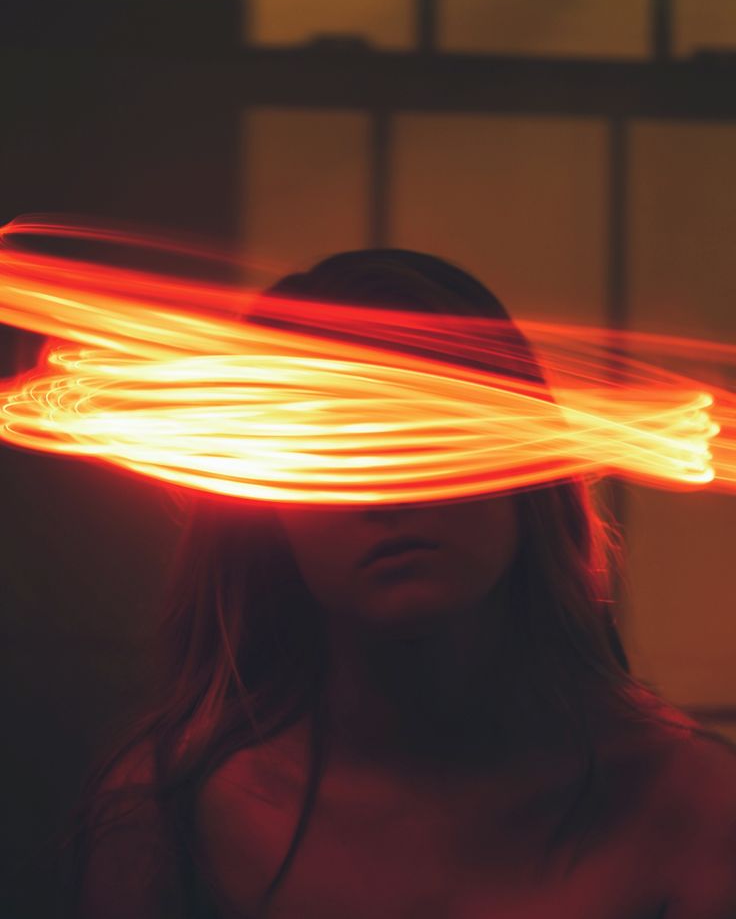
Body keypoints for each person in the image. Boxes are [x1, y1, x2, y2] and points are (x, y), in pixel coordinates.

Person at [66, 249, 736, 919]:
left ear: (526, 475)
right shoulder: (175, 814)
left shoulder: (695, 807)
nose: (387, 493)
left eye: (427, 431)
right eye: (329, 449)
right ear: (267, 512)